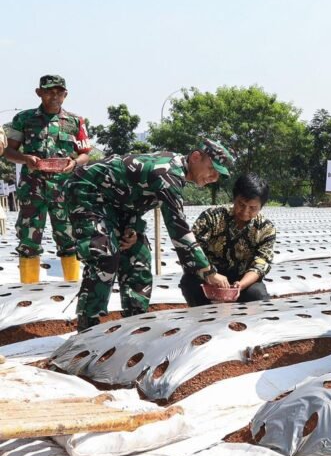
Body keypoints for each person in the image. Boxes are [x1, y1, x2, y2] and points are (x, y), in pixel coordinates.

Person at [65, 139, 235, 330]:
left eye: (218, 174)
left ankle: (135, 322)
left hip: (117, 204)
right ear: (196, 157)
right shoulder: (168, 175)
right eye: (212, 169)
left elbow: (136, 196)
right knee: (105, 253)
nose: (214, 177)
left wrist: (133, 228)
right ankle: (87, 326)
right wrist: (208, 272)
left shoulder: (176, 170)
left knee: (138, 252)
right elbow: (179, 228)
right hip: (87, 191)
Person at [4, 74, 91, 283]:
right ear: (39, 93)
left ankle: (71, 288)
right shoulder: (24, 119)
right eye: (49, 91)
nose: (54, 96)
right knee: (28, 241)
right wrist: (25, 158)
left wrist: (75, 163)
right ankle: (28, 293)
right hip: (32, 189)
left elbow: (85, 153)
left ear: (65, 94)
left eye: (59, 92)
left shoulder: (75, 121)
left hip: (63, 190)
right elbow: (8, 152)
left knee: (69, 239)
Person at [180, 173, 276, 306]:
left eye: (252, 208)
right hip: (210, 276)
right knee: (189, 283)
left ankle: (247, 325)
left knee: (257, 294)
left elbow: (261, 263)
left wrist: (240, 285)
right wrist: (210, 275)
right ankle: (203, 322)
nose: (245, 211)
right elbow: (192, 250)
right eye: (241, 204)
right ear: (234, 199)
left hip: (242, 278)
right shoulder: (212, 217)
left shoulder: (265, 228)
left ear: (261, 206)